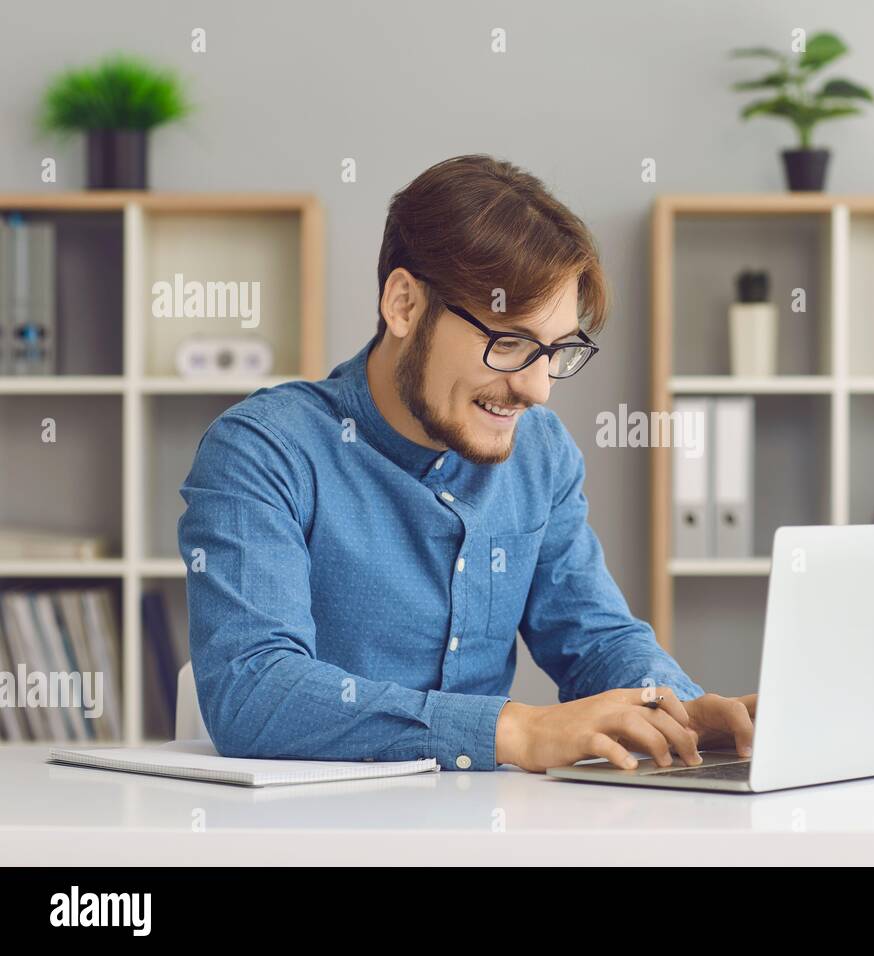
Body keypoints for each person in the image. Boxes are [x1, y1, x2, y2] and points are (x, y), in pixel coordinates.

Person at [179, 154, 757, 772]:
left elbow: (595, 638)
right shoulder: (264, 451)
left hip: (484, 830)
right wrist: (515, 731)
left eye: (557, 351)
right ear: (403, 305)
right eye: (509, 343)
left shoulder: (541, 451)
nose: (538, 390)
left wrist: (679, 712)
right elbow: (252, 691)